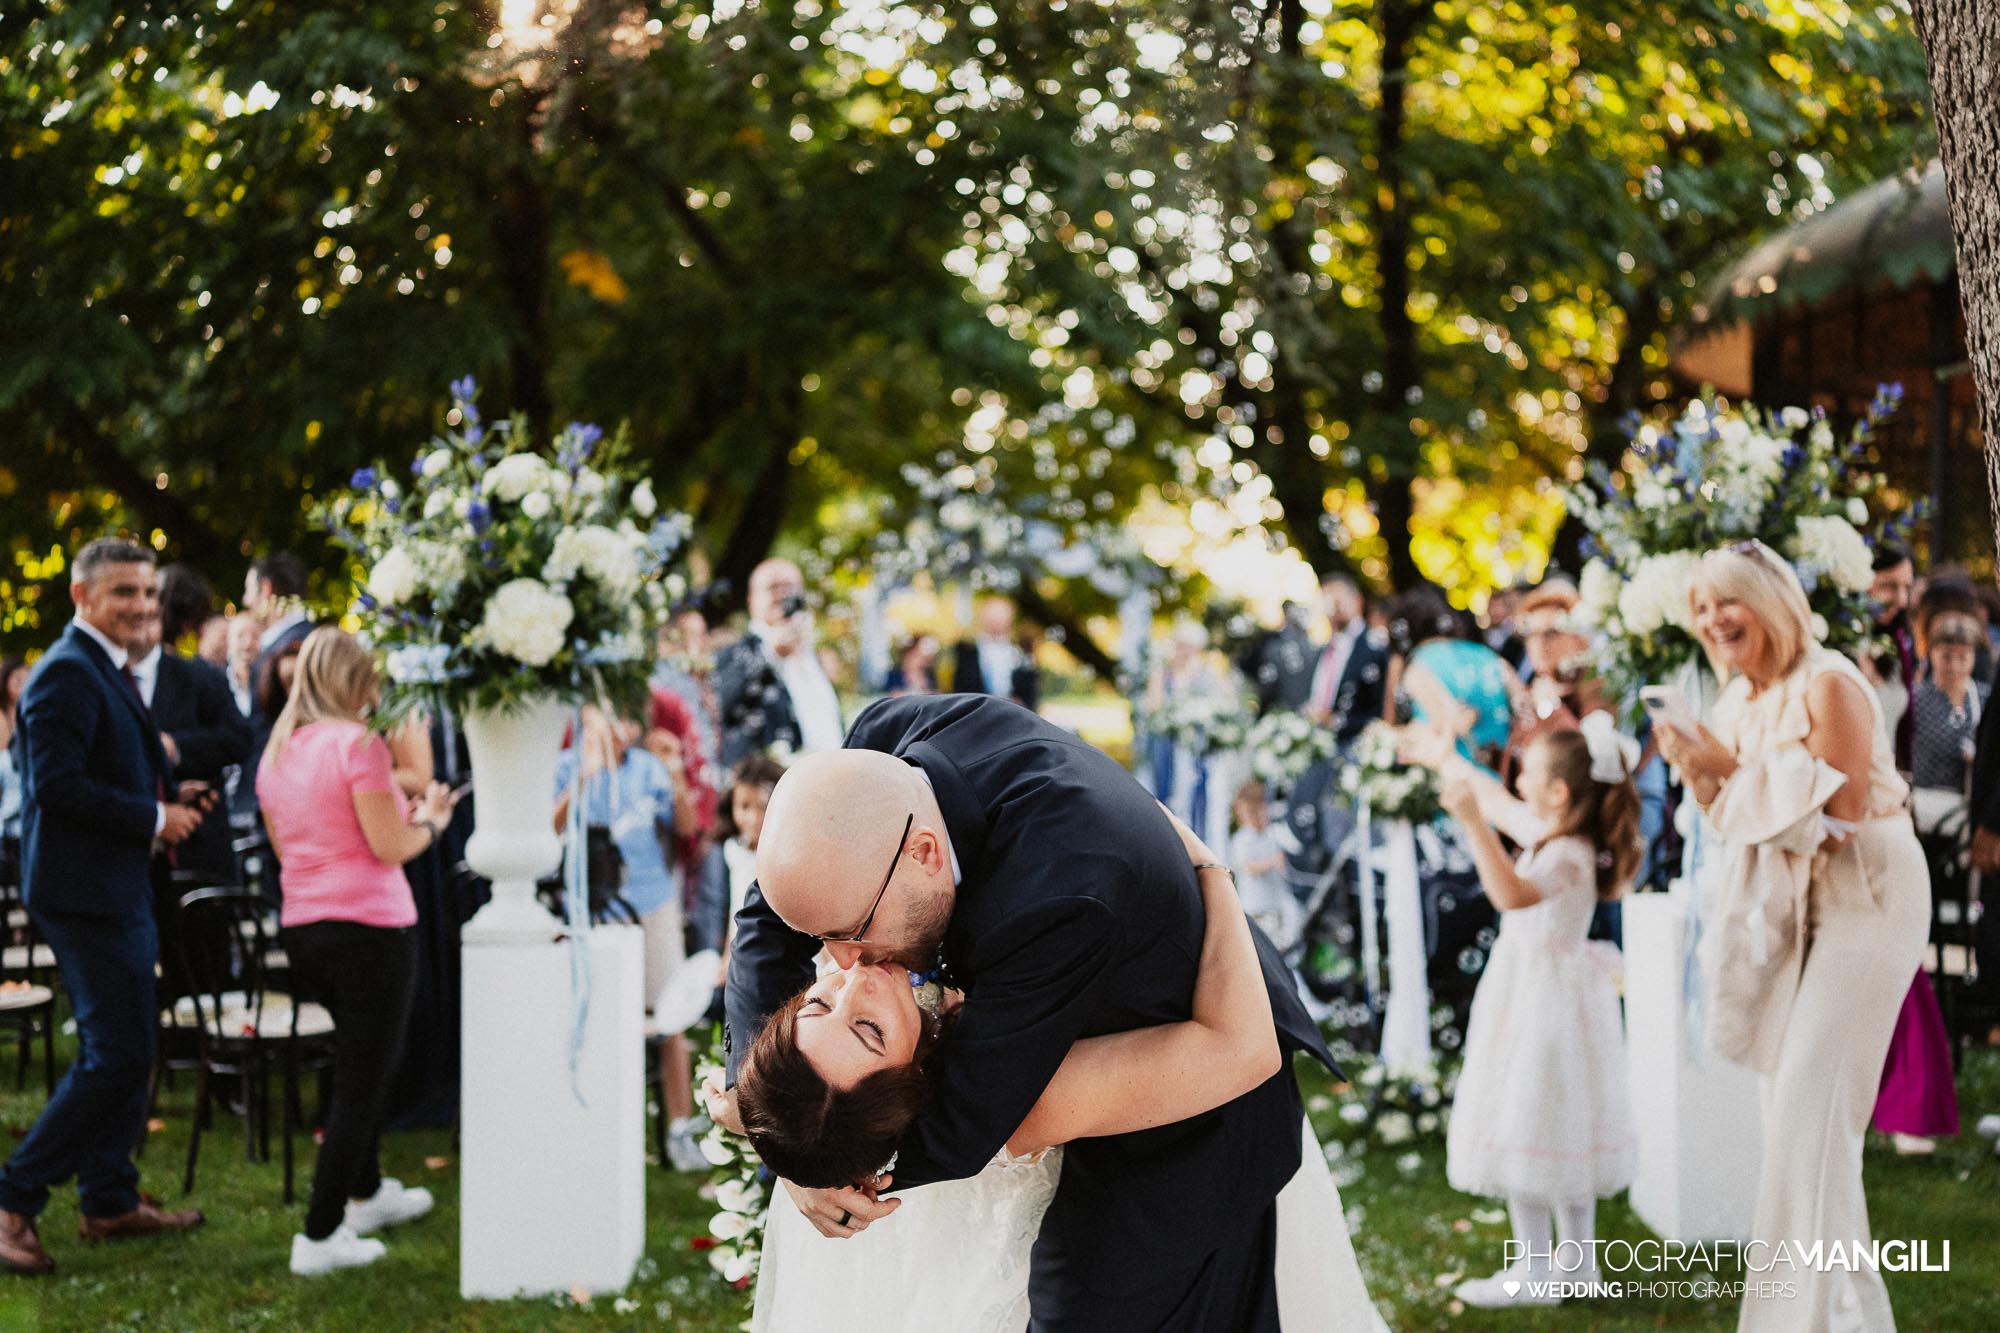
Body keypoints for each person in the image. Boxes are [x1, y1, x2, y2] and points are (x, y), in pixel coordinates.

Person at [713, 694, 1349, 1329]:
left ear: (926, 853)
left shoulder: (1060, 892)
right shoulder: (877, 758)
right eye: (829, 1002)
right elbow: (774, 912)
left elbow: (966, 1124)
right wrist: (765, 1099)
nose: (844, 965)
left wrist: (822, 1159)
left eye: (852, 929)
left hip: (1189, 1106)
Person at [1655, 541, 1929, 1332]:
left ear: (1768, 601)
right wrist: (1700, 769)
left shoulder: (1830, 682)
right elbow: (1736, 819)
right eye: (1699, 611)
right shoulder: (1739, 699)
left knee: (1811, 1114)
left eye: (1724, 603)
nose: (1711, 622)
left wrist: (1725, 767)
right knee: (1797, 1118)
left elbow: (1834, 827)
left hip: (1869, 893)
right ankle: (1852, 1317)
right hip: (1798, 905)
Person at [0, 539, 209, 1274]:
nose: (142, 607)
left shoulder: (102, 666)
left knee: (132, 1047)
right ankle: (12, 1201)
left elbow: (105, 767)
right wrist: (155, 819)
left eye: (149, 594)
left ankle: (110, 1198)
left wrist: (168, 798)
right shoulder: (64, 671)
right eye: (124, 592)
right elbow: (55, 786)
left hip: (115, 883)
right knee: (115, 1053)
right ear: (81, 596)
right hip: (82, 891)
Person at [1410, 722, 1640, 1306]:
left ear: (1558, 792)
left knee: (1530, 1119)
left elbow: (1511, 893)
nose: (1519, 779)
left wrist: (1470, 823)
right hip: (1546, 995)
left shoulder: (1565, 852)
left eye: (1530, 772)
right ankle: (1576, 1266)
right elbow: (1497, 798)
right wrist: (1446, 758)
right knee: (1558, 1122)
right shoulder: (1557, 835)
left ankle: (1540, 1272)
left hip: (1542, 1003)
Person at [254, 627, 456, 1276]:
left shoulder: (278, 751)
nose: (378, 691)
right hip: (370, 929)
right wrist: (434, 819)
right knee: (363, 1082)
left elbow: (290, 851)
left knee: (357, 1065)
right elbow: (391, 844)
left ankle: (365, 1191)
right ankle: (319, 1234)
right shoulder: (359, 745)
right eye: (370, 679)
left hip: (305, 927)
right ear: (352, 681)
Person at [551, 706, 704, 1168]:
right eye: (604, 717)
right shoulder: (565, 766)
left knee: (669, 1015)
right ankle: (598, 1126)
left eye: (623, 720)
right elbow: (548, 831)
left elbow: (686, 827)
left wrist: (675, 771)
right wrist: (584, 776)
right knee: (595, 1018)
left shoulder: (647, 769)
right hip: (590, 909)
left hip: (652, 903)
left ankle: (679, 1128)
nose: (616, 729)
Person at [1875, 611, 1977, 1155]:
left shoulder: (1977, 699)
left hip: (1953, 819)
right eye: (1945, 653)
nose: (1954, 663)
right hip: (1913, 815)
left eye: (1963, 655)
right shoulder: (1919, 697)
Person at [125, 599, 253, 888]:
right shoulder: (95, 680)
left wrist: (176, 747)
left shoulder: (199, 677)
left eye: (149, 618)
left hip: (196, 845)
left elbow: (239, 739)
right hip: (125, 856)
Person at [713, 559, 843, 767]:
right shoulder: (735, 652)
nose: (782, 595)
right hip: (767, 782)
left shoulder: (813, 655)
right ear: (751, 599)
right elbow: (723, 703)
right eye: (773, 587)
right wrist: (771, 655)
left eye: (790, 587)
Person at [1387, 583, 1513, 770]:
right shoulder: (1487, 655)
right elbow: (1522, 704)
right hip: (1502, 769)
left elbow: (1444, 725)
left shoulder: (1418, 666)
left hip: (1455, 775)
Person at [1306, 573, 1387, 744]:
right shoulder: (1324, 650)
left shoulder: (1376, 648)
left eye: (1338, 601)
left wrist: (1335, 721)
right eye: (1328, 602)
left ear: (1357, 601)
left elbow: (1380, 711)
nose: (1333, 608)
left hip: (1355, 748)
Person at [1858, 543, 1917, 771]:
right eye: (1889, 586)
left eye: (1906, 587)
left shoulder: (1895, 646)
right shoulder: (1835, 647)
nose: (1902, 600)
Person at [1228, 779, 1303, 950]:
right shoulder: (1242, 839)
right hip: (1256, 911)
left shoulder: (1272, 835)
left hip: (1276, 909)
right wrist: (1271, 862)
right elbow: (1248, 867)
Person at [951, 597, 1039, 711]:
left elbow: (1030, 694)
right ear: (983, 619)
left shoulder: (1021, 654)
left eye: (1000, 619)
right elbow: (959, 690)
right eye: (992, 619)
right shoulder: (967, 653)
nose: (996, 623)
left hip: (1013, 718)